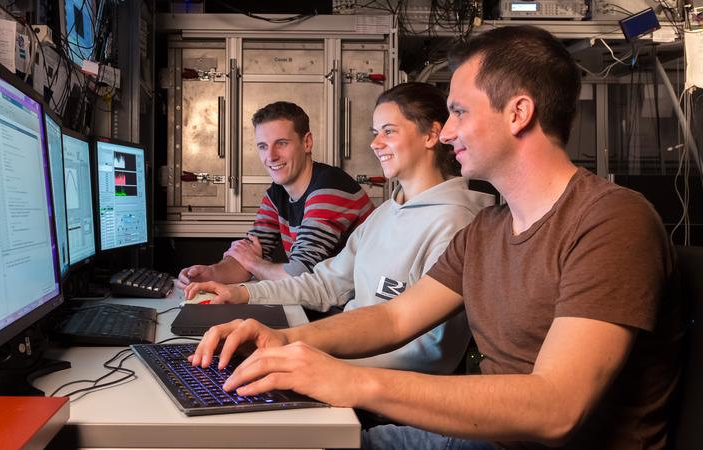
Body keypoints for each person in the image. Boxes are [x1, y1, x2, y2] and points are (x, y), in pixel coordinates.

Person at [186, 25, 684, 450]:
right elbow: (397, 315)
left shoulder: (611, 221)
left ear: (518, 113)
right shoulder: (488, 228)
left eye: (460, 113)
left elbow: (557, 407)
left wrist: (349, 381)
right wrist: (286, 339)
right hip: (485, 438)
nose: (446, 134)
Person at [185, 83, 495, 373]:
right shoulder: (385, 214)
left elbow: (429, 351)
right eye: (375, 132)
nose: (374, 143)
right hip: (344, 365)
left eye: (389, 131)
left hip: (384, 391)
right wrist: (242, 293)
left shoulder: (456, 221)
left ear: (431, 136)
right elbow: (325, 284)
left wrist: (316, 358)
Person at [176, 101, 374, 289]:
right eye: (263, 146)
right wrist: (210, 274)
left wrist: (252, 262)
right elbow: (247, 255)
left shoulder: (330, 187)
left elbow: (299, 275)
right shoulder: (277, 193)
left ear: (307, 142)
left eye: (281, 143)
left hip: (358, 308)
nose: (270, 156)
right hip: (325, 302)